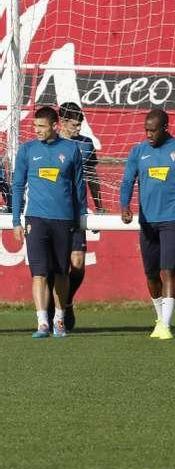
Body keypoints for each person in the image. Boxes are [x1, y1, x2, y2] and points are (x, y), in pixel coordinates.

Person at [120, 109, 175, 340]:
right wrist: (124, 205)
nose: (148, 134)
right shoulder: (138, 152)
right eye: (146, 129)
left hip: (173, 219)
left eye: (153, 130)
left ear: (165, 128)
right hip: (147, 221)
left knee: (168, 271)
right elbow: (128, 179)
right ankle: (160, 319)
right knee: (151, 274)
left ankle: (166, 325)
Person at [11, 106, 86, 338]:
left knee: (61, 272)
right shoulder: (27, 150)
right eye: (35, 126)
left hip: (64, 220)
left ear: (55, 126)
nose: (37, 130)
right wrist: (16, 219)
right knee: (39, 273)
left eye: (41, 126)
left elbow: (79, 188)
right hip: (36, 219)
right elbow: (17, 186)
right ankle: (42, 322)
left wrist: (80, 219)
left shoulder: (71, 150)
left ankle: (59, 320)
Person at [45, 102, 105, 331]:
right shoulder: (49, 143)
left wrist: (99, 207)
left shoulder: (86, 145)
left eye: (80, 123)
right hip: (51, 211)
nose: (78, 128)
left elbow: (93, 178)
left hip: (76, 212)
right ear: (61, 123)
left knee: (77, 264)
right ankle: (52, 307)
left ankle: (66, 301)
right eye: (73, 124)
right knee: (53, 266)